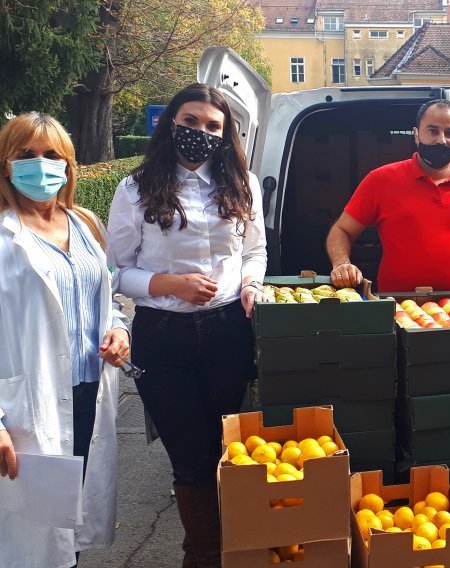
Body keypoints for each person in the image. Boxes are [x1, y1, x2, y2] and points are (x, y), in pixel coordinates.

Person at [107, 83, 267, 566]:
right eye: (191, 121)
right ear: (171, 123)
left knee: (224, 450)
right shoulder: (136, 187)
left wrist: (251, 285)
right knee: (189, 454)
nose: (201, 132)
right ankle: (205, 555)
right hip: (164, 338)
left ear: (226, 133)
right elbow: (115, 271)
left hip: (227, 334)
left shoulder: (243, 184)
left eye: (213, 126)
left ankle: (218, 549)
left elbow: (255, 251)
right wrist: (168, 284)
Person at [0, 113, 130, 567]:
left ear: (69, 165)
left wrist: (119, 329)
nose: (41, 165)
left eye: (52, 155)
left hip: (87, 395)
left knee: (70, 527)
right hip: (25, 407)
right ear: (6, 165)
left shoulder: (87, 224)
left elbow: (105, 298)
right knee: (29, 541)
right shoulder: (3, 235)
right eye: (27, 155)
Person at [326, 99, 450, 305]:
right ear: (417, 135)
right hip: (396, 308)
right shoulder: (381, 180)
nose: (441, 140)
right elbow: (341, 230)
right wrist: (341, 263)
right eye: (432, 131)